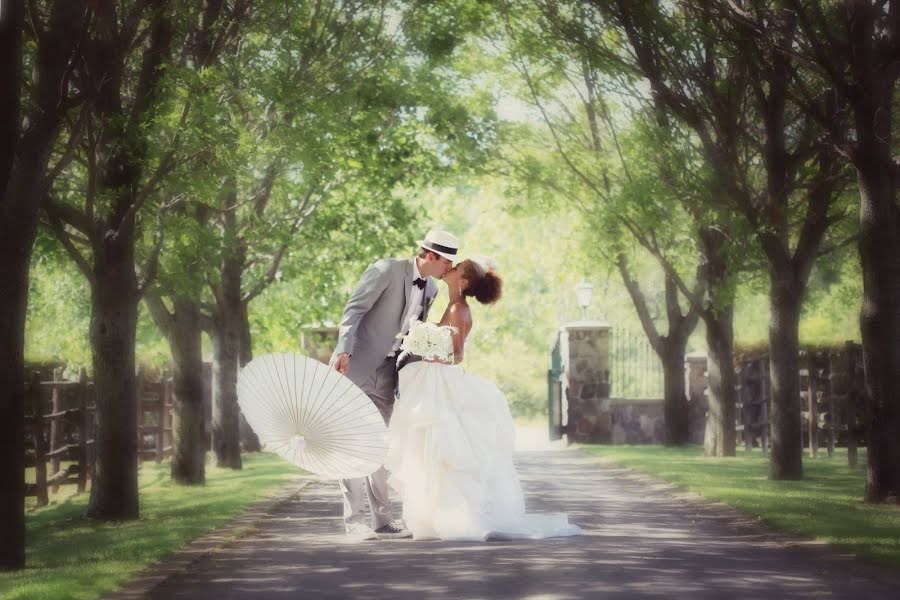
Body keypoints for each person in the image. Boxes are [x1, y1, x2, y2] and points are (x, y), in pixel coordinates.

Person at [386, 257, 583, 541]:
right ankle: (436, 513)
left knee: (443, 446)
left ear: (462, 282)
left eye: (455, 269)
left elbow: (457, 355)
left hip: (440, 380)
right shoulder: (454, 305)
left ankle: (452, 515)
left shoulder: (457, 308)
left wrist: (425, 349)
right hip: (433, 380)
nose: (449, 269)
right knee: (432, 447)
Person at [330, 229, 459, 540]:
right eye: (446, 262)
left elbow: (415, 334)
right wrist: (344, 349)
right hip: (356, 365)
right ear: (431, 256)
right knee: (352, 443)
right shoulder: (386, 269)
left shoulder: (431, 290)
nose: (448, 269)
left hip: (390, 374)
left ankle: (382, 521)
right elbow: (354, 310)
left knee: (380, 446)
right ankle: (355, 522)